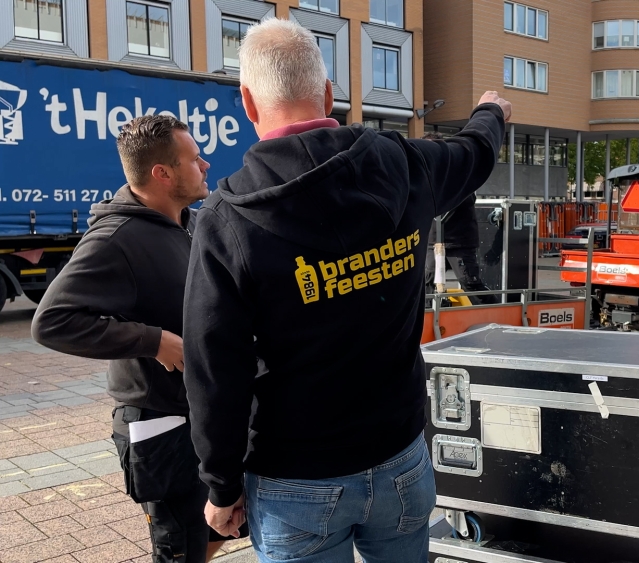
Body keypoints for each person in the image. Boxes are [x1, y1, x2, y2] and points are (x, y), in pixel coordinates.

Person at [180, 18, 510, 563]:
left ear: (248, 102)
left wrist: (221, 485)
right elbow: (474, 153)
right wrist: (491, 112)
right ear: (329, 94)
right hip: (400, 458)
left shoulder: (227, 219)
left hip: (295, 479)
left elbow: (215, 369)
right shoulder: (406, 165)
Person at [31, 115, 247, 562]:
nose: (205, 165)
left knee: (220, 528)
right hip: (162, 422)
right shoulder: (116, 238)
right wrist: (154, 341)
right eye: (194, 159)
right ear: (162, 173)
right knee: (179, 548)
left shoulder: (191, 223)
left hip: (205, 416)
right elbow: (51, 321)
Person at [422, 132, 498, 305]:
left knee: (469, 282)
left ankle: (496, 312)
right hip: (432, 240)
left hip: (458, 241)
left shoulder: (457, 173)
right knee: (427, 281)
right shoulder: (425, 175)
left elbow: (467, 198)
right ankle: (430, 314)